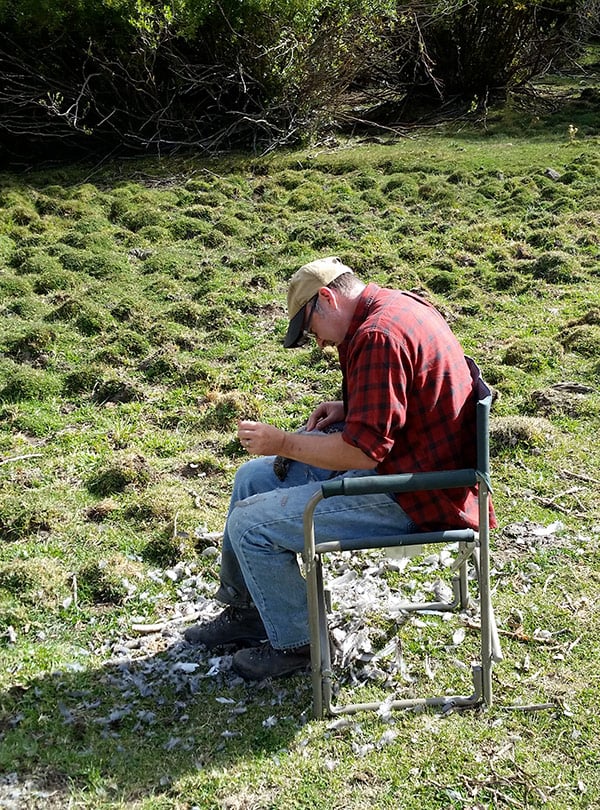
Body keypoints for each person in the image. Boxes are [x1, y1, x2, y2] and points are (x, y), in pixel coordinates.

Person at [184, 256, 496, 680]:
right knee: (250, 479)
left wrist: (283, 442)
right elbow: (408, 397)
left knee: (249, 525)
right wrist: (352, 407)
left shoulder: (376, 336)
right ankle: (249, 611)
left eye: (312, 331)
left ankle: (301, 644)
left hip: (418, 495)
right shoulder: (397, 306)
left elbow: (362, 453)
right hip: (413, 465)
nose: (320, 344)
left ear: (326, 298)